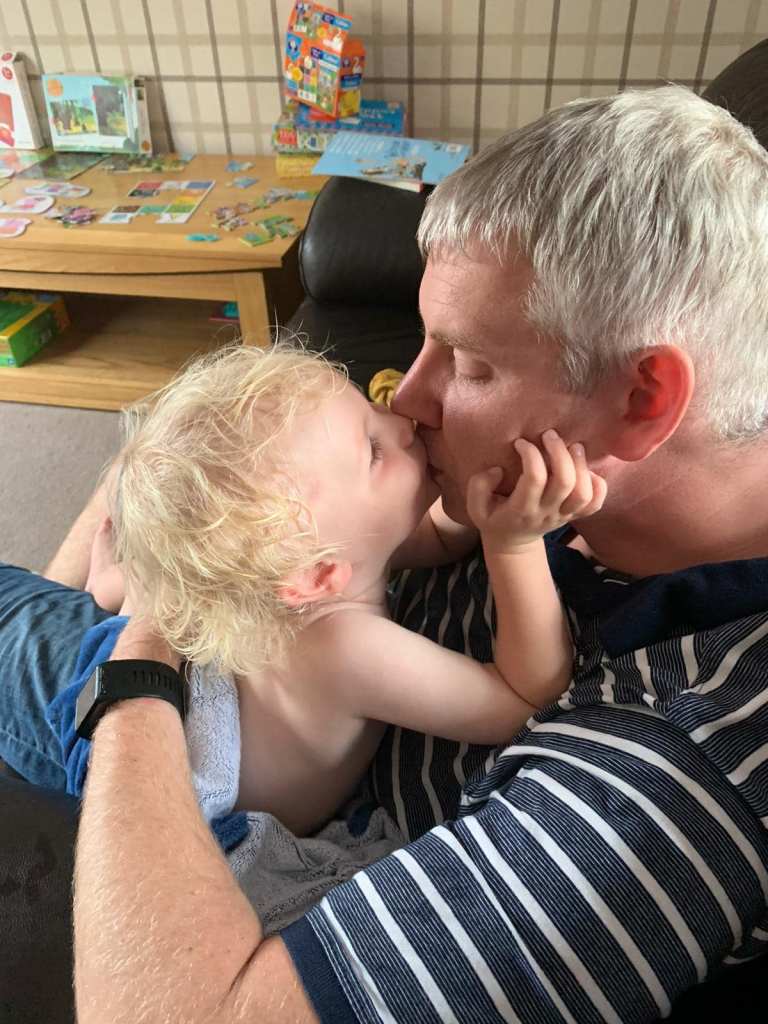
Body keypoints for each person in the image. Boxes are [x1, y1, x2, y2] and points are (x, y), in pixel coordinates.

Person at [3, 82, 768, 1022]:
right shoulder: (574, 485)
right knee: (154, 469)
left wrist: (149, 643)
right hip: (231, 664)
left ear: (642, 400)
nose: (406, 400)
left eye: (471, 364)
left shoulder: (673, 782)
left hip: (165, 711)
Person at [78, 342, 603, 843]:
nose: (401, 420)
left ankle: (116, 585)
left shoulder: (334, 550)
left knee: (186, 573)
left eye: (370, 410)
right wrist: (514, 544)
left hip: (188, 659)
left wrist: (492, 482)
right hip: (147, 771)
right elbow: (521, 699)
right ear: (316, 577)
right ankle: (114, 591)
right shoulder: (344, 646)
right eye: (373, 450)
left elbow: (441, 536)